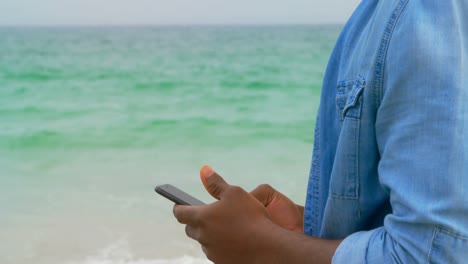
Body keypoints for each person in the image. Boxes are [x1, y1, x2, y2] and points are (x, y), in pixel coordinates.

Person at [173, 1, 468, 263]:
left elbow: (432, 254)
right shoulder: (380, 13)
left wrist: (264, 245)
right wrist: (302, 227)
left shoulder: (424, 8)